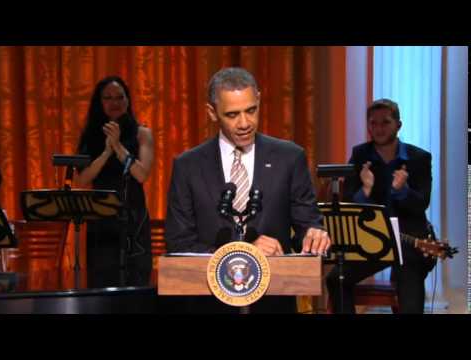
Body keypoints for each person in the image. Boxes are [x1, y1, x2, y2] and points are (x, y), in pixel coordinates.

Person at [164, 67, 330, 313]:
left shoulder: (290, 157)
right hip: (209, 304)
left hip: (273, 301)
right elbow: (179, 243)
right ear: (212, 112)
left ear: (259, 101)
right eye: (232, 115)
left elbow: (307, 224)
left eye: (251, 110)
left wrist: (314, 235)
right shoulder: (188, 165)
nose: (244, 123)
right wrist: (242, 253)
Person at [326, 98, 436, 314]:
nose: (378, 129)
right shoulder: (360, 155)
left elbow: (422, 203)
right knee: (336, 278)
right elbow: (348, 202)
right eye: (373, 123)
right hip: (371, 241)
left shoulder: (419, 158)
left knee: (408, 277)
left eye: (385, 122)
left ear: (398, 125)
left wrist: (402, 191)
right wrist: (365, 190)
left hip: (408, 242)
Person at [76, 76, 153, 288]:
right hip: (101, 218)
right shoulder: (91, 135)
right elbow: (81, 180)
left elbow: (142, 174)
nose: (114, 102)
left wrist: (118, 147)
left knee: (135, 281)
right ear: (100, 103)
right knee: (100, 281)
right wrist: (106, 152)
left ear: (128, 100)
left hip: (133, 218)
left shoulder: (142, 133)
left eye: (120, 97)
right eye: (108, 98)